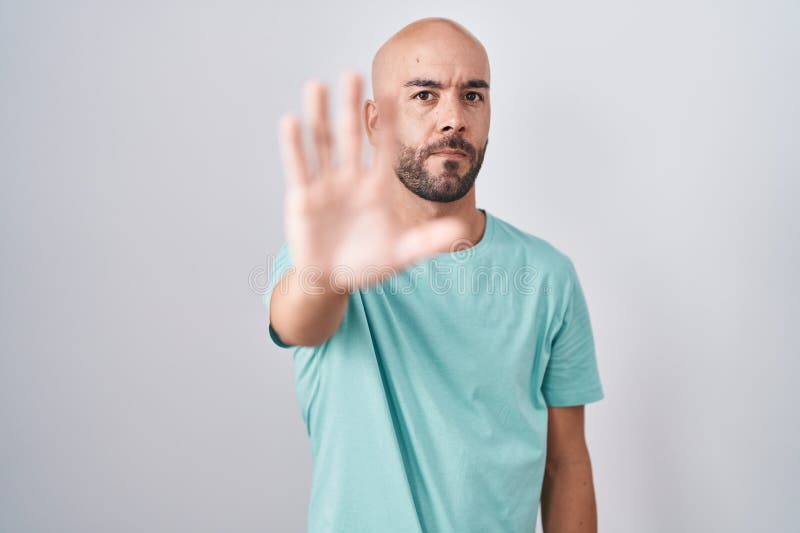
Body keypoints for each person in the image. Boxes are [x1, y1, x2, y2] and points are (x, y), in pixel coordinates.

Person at [264, 16, 604, 533]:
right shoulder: (329, 256)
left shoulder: (547, 275)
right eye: (425, 95)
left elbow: (566, 463)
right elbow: (297, 325)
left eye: (473, 96)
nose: (454, 119)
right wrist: (330, 275)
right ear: (376, 121)